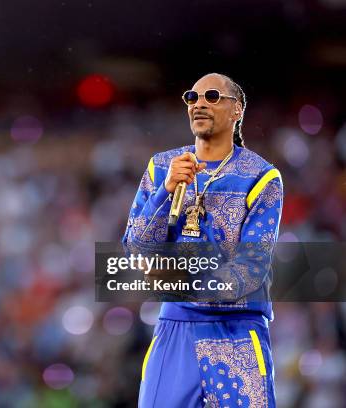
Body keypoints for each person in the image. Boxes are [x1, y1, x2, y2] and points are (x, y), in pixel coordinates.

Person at [123, 73, 282, 407]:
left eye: (212, 96)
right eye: (192, 98)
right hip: (175, 329)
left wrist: (177, 279)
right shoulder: (162, 167)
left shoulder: (261, 176)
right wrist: (164, 193)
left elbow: (251, 268)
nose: (199, 104)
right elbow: (135, 247)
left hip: (236, 330)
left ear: (236, 110)